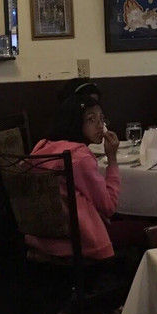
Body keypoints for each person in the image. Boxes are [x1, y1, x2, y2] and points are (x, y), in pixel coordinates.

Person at [28, 95, 121, 262]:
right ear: (75, 122)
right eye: (91, 119)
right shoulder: (80, 157)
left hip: (40, 240)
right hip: (82, 241)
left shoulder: (42, 146)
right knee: (143, 230)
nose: (100, 125)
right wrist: (112, 160)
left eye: (102, 119)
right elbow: (108, 207)